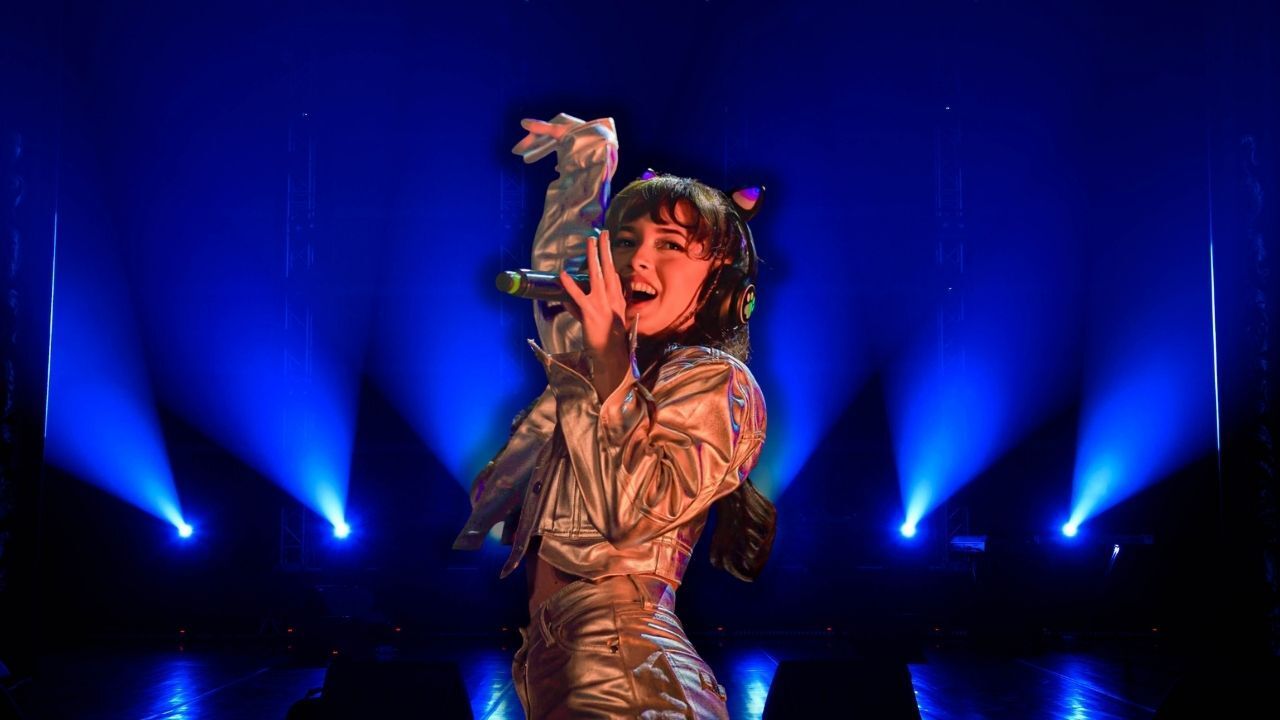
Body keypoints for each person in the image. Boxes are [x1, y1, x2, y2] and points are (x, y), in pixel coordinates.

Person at [453, 114, 775, 719]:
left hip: (627, 671)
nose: (636, 260)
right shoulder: (602, 374)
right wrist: (586, 165)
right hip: (560, 657)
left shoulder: (714, 380)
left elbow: (635, 515)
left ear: (720, 284)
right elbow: (569, 280)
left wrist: (605, 357)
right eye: (624, 242)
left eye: (670, 245)